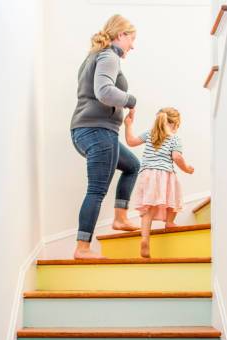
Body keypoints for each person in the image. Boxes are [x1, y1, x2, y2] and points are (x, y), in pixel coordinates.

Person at [70, 15, 140, 259]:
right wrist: (131, 100)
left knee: (132, 165)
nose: (133, 45)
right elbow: (104, 92)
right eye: (132, 39)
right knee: (97, 189)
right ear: (121, 35)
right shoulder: (109, 56)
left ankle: (120, 218)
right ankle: (82, 248)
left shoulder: (94, 56)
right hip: (98, 130)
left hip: (86, 130)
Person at [124, 107, 194, 258]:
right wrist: (187, 168)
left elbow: (131, 141)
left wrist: (128, 125)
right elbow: (177, 157)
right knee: (173, 198)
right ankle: (169, 222)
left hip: (147, 174)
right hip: (164, 173)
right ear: (175, 124)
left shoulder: (150, 134)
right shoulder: (175, 139)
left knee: (147, 209)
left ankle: (144, 239)